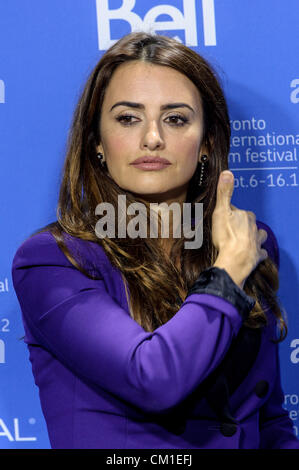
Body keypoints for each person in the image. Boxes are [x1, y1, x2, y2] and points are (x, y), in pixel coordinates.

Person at [11, 32, 299, 449]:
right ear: (97, 144)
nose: (152, 138)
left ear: (207, 144)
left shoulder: (247, 242)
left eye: (176, 119)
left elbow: (267, 418)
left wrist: (234, 255)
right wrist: (229, 271)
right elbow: (154, 379)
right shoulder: (54, 260)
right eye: (128, 118)